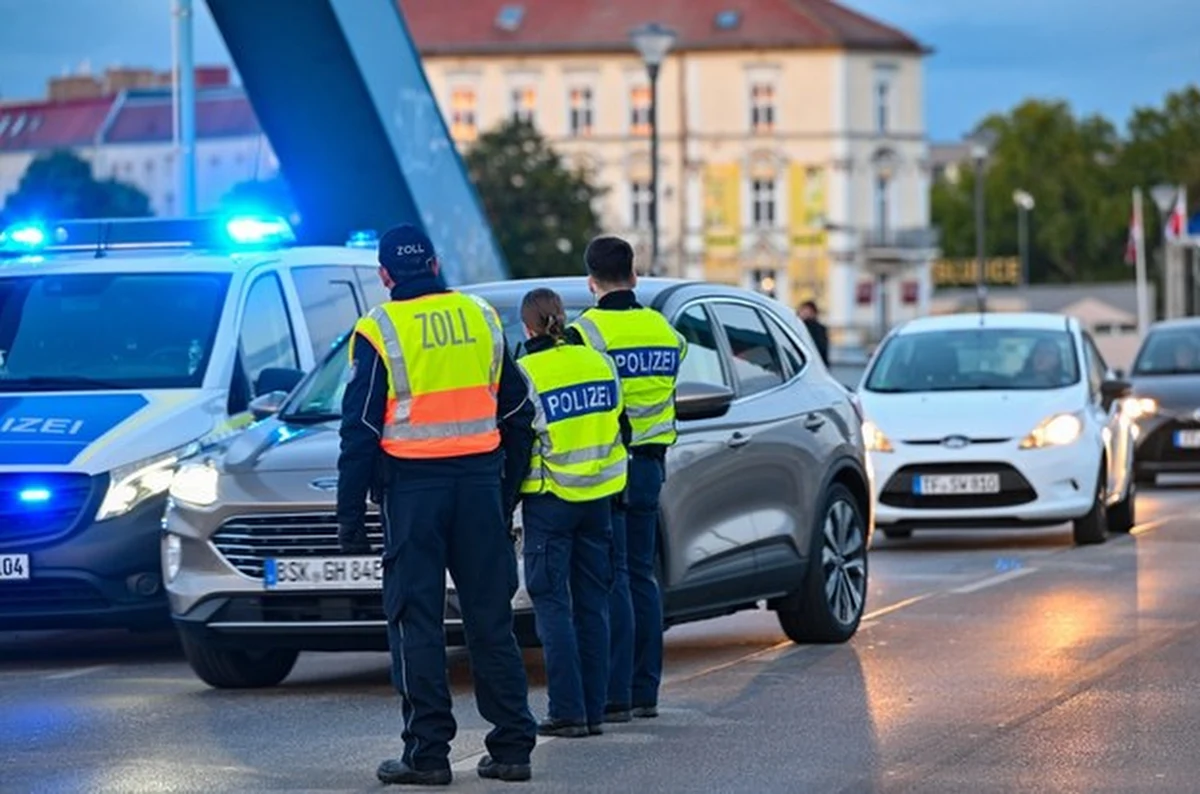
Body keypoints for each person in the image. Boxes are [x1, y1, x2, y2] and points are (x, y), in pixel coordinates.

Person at [336, 224, 538, 787]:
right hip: (477, 487)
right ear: (435, 263)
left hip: (413, 493)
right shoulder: (481, 318)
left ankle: (427, 754)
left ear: (384, 275)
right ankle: (513, 748)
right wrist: (503, 494)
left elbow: (360, 430)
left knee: (416, 622)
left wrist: (349, 514)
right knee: (490, 621)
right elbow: (519, 415)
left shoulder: (379, 329)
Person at [565, 236, 687, 723]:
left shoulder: (585, 333)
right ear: (634, 276)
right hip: (650, 467)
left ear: (590, 280)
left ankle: (614, 694)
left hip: (608, 468)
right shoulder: (662, 329)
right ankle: (645, 691)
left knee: (610, 577)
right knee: (643, 576)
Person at [515, 287, 627, 739]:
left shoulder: (526, 373)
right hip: (598, 500)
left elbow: (520, 444)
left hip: (550, 501)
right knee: (592, 605)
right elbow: (623, 426)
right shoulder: (600, 363)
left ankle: (566, 711)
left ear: (527, 328)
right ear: (563, 318)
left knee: (552, 606)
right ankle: (595, 709)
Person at [798, 300, 830, 366]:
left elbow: (821, 348)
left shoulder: (817, 329)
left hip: (813, 364)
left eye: (806, 311)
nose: (803, 313)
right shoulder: (797, 326)